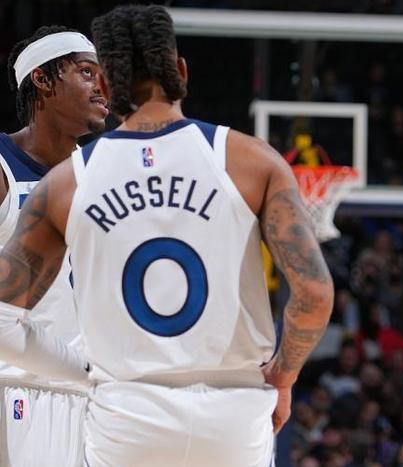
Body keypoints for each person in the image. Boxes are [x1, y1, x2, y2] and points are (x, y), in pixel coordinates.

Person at [0, 5, 333, 467]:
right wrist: (283, 375)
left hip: (127, 408)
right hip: (231, 411)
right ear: (182, 71)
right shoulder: (252, 160)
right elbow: (315, 292)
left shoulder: (69, 182)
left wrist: (87, 371)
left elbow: (3, 320)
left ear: (109, 86)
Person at [0, 25, 107, 466]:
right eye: (87, 72)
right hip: (18, 389)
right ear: (42, 80)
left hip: (96, 394)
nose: (102, 86)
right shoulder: (4, 168)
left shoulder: (104, 175)